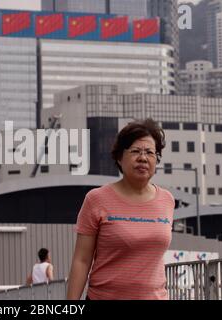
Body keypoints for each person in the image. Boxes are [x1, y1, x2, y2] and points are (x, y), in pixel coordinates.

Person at [67, 118, 175, 300]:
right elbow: (81, 260)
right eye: (135, 151)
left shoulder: (167, 200)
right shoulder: (97, 199)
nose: (143, 158)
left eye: (149, 152)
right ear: (119, 157)